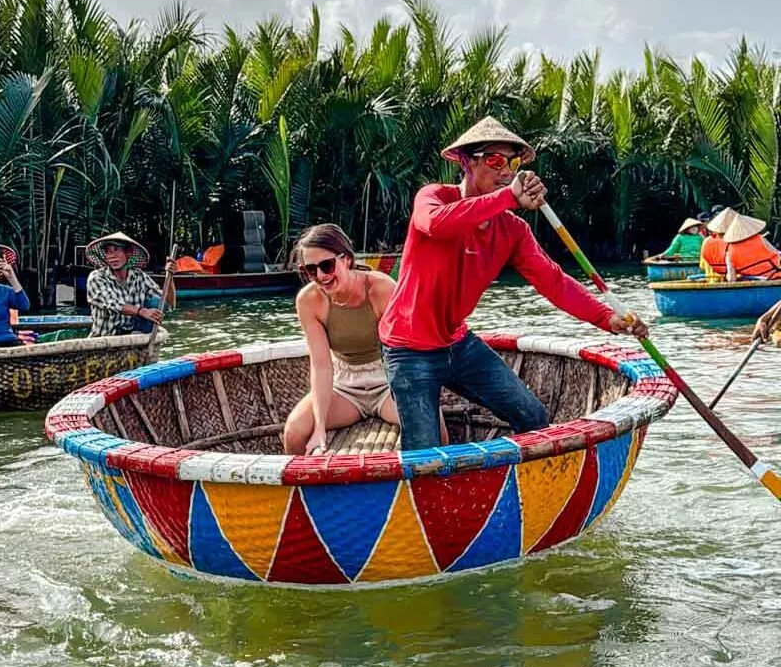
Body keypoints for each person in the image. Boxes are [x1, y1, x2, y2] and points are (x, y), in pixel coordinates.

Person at [378, 116, 648, 452]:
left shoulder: (513, 231)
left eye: (513, 162)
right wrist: (509, 197)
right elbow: (433, 224)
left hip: (457, 344)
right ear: (467, 162)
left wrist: (607, 318)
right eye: (494, 160)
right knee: (423, 451)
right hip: (408, 348)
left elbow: (554, 282)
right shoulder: (434, 197)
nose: (506, 171)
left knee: (533, 417)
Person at [283, 224, 405, 456]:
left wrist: (413, 393)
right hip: (345, 386)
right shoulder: (308, 301)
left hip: (388, 382)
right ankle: (304, 490)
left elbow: (405, 352)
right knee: (294, 431)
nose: (321, 276)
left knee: (430, 424)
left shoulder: (382, 288)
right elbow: (321, 365)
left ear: (346, 259)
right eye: (310, 270)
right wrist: (319, 427)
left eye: (327, 266)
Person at [85, 231, 176, 338]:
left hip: (134, 336)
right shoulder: (97, 277)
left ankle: (140, 340)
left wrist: (170, 277)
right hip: (105, 338)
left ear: (128, 252)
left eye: (116, 250)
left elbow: (169, 303)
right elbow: (113, 304)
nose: (112, 256)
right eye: (108, 252)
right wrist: (141, 311)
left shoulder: (139, 276)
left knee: (156, 301)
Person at [723, 214, 781, 281]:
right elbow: (778, 256)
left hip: (749, 281)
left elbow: (731, 278)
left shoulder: (729, 251)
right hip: (773, 276)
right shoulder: (760, 239)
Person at [699, 207, 736, 281]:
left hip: (711, 282)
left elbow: (702, 266)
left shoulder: (706, 241)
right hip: (728, 282)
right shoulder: (732, 242)